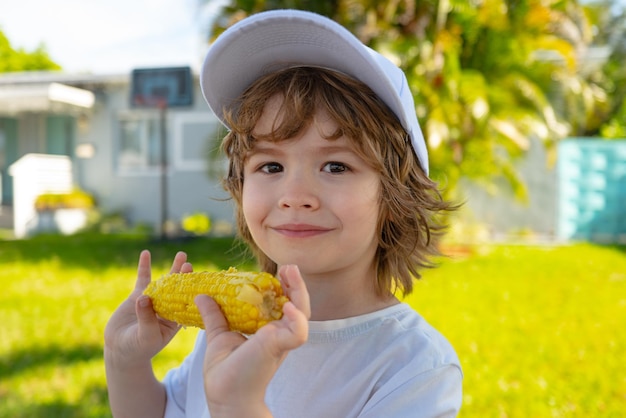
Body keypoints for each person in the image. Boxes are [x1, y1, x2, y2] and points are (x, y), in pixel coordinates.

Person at [104, 9, 463, 418]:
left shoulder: (413, 368)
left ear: (395, 197)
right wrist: (124, 361)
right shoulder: (226, 328)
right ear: (240, 188)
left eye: (336, 166)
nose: (294, 196)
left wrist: (239, 406)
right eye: (270, 166)